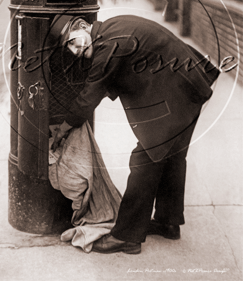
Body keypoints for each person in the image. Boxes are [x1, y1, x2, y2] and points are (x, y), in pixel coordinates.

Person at [52, 14, 220, 255]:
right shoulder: (110, 30)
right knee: (171, 155)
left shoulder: (107, 44)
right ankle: (168, 222)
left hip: (179, 90)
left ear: (82, 27)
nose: (75, 50)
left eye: (72, 40)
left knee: (144, 159)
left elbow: (91, 94)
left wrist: (65, 128)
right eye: (68, 47)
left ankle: (126, 237)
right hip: (188, 83)